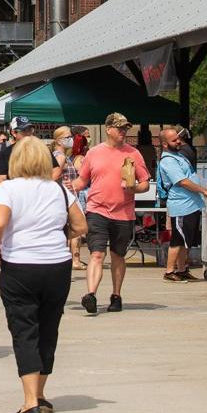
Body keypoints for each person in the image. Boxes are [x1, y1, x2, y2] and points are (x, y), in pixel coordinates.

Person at [0, 136, 87, 413]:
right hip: (57, 265)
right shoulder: (59, 190)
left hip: (20, 265)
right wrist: (61, 234)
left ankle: (30, 401)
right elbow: (80, 225)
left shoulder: (9, 188)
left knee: (24, 329)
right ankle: (41, 393)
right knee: (48, 328)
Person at [70, 112, 149, 315]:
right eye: (120, 128)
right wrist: (65, 188)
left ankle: (116, 295)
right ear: (108, 129)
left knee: (118, 255)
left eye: (125, 129)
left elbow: (145, 183)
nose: (123, 132)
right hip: (97, 210)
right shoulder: (94, 153)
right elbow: (82, 181)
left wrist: (134, 189)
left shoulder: (133, 154)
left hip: (123, 213)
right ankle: (91, 294)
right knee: (96, 253)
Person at [157, 127, 207, 282]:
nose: (178, 142)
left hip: (191, 205)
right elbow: (182, 181)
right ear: (164, 144)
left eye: (178, 138)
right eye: (174, 140)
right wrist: (204, 191)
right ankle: (169, 271)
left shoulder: (178, 156)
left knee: (185, 241)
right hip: (182, 206)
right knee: (177, 239)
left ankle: (182, 269)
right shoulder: (168, 161)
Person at [61, 129, 88, 271]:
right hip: (75, 194)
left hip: (72, 193)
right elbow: (84, 175)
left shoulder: (69, 158)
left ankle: (71, 258)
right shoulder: (79, 159)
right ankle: (75, 259)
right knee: (77, 227)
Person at [0, 116, 37, 182]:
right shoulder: (6, 152)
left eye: (30, 130)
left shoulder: (40, 150)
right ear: (14, 133)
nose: (28, 133)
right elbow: (1, 178)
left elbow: (55, 170)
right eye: (24, 131)